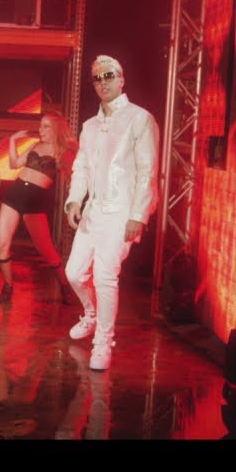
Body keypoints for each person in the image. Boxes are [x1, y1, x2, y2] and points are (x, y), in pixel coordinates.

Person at [63, 54, 159, 372]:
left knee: (105, 276)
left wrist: (138, 215)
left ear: (121, 79)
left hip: (122, 212)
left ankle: (104, 342)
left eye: (109, 76)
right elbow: (81, 167)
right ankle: (91, 314)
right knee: (74, 273)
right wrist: (74, 201)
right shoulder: (90, 126)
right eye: (97, 78)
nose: (103, 82)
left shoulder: (139, 118)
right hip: (94, 211)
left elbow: (147, 170)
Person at [0, 111, 78, 305]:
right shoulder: (35, 146)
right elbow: (14, 164)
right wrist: (13, 140)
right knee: (2, 244)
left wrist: (74, 202)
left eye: (46, 126)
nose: (41, 129)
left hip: (36, 202)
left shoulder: (63, 152)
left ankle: (65, 286)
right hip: (14, 196)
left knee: (46, 249)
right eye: (40, 125)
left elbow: (73, 179)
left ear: (56, 128)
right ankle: (8, 287)